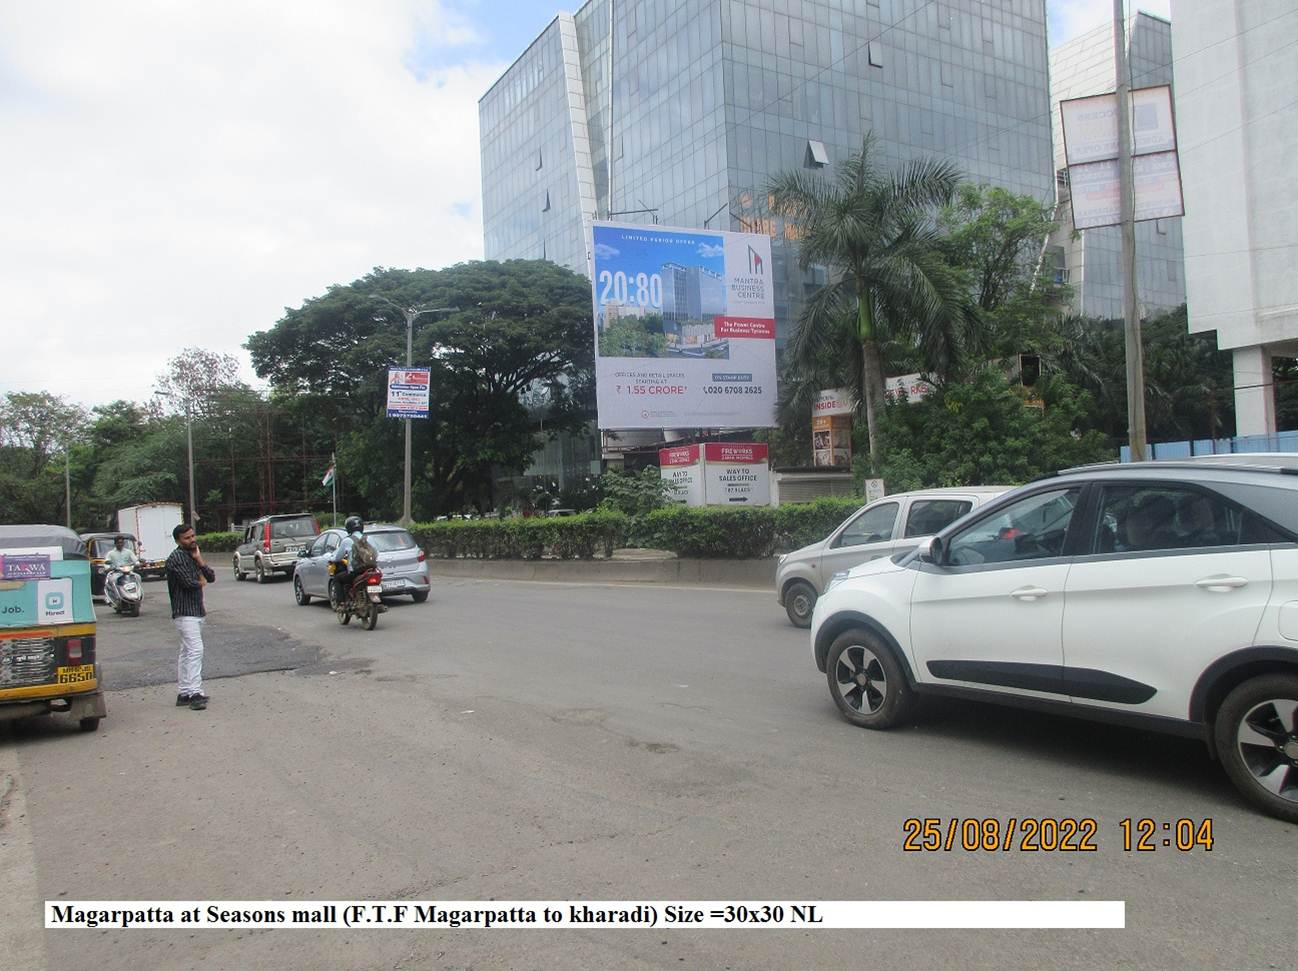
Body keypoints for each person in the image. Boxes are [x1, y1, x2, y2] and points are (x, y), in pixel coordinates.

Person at [165, 523, 216, 710]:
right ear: (178, 541)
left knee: (187, 652)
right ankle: (195, 693)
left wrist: (199, 560)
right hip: (184, 612)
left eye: (193, 536)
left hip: (195, 611)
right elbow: (189, 583)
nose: (192, 540)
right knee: (195, 650)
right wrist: (201, 580)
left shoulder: (192, 555)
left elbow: (210, 577)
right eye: (187, 538)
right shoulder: (176, 558)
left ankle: (184, 692)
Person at [328, 516, 374, 610]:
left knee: (337, 579)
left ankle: (341, 604)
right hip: (371, 570)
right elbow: (377, 553)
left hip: (355, 572)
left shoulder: (346, 540)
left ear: (348, 528)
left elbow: (338, 557)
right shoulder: (369, 538)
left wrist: (332, 559)